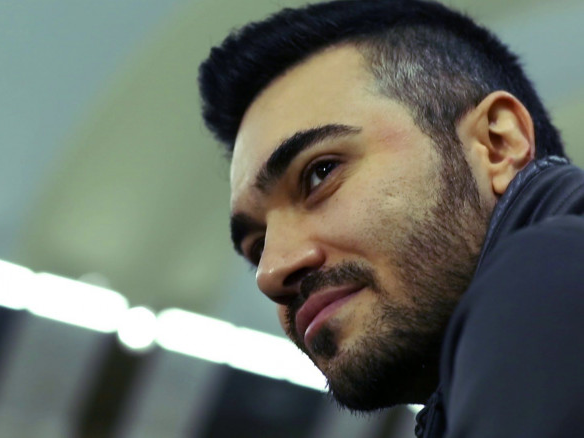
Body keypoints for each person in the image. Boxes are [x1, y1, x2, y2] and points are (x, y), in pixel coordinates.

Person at [197, 0, 584, 436]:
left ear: (497, 144)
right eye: (257, 246)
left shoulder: (549, 280)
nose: (270, 273)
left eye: (320, 173)